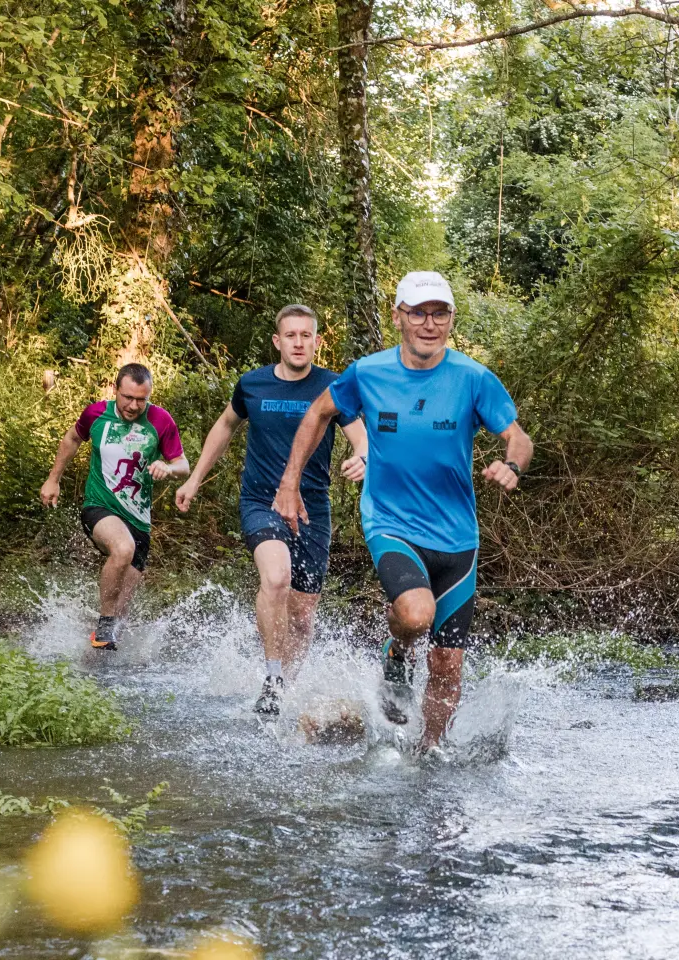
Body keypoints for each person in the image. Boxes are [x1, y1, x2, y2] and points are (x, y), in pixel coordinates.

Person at [273, 271, 533, 753]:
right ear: (398, 317)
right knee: (415, 615)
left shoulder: (473, 378)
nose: (429, 324)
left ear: (451, 319)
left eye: (440, 314)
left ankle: (427, 751)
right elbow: (319, 413)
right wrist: (290, 483)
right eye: (418, 313)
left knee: (448, 663)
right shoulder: (368, 373)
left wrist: (512, 464)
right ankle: (396, 653)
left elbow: (518, 437)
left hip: (457, 537)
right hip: (391, 523)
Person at [174, 304, 369, 715]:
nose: (298, 343)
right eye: (291, 336)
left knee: (302, 615)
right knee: (276, 578)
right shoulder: (253, 384)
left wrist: (363, 457)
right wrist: (195, 479)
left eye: (306, 335)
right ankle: (273, 676)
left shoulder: (332, 386)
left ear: (317, 342)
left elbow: (360, 435)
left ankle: (285, 690)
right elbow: (225, 425)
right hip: (260, 501)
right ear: (278, 341)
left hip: (312, 508)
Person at [40, 363, 190, 650]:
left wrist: (168, 468)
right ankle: (104, 623)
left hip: (138, 519)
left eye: (141, 400)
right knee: (122, 548)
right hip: (100, 506)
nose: (133, 406)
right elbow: (72, 438)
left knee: (120, 614)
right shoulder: (96, 414)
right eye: (128, 397)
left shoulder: (160, 421)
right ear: (115, 389)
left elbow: (183, 465)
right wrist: (53, 479)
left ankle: (96, 660)